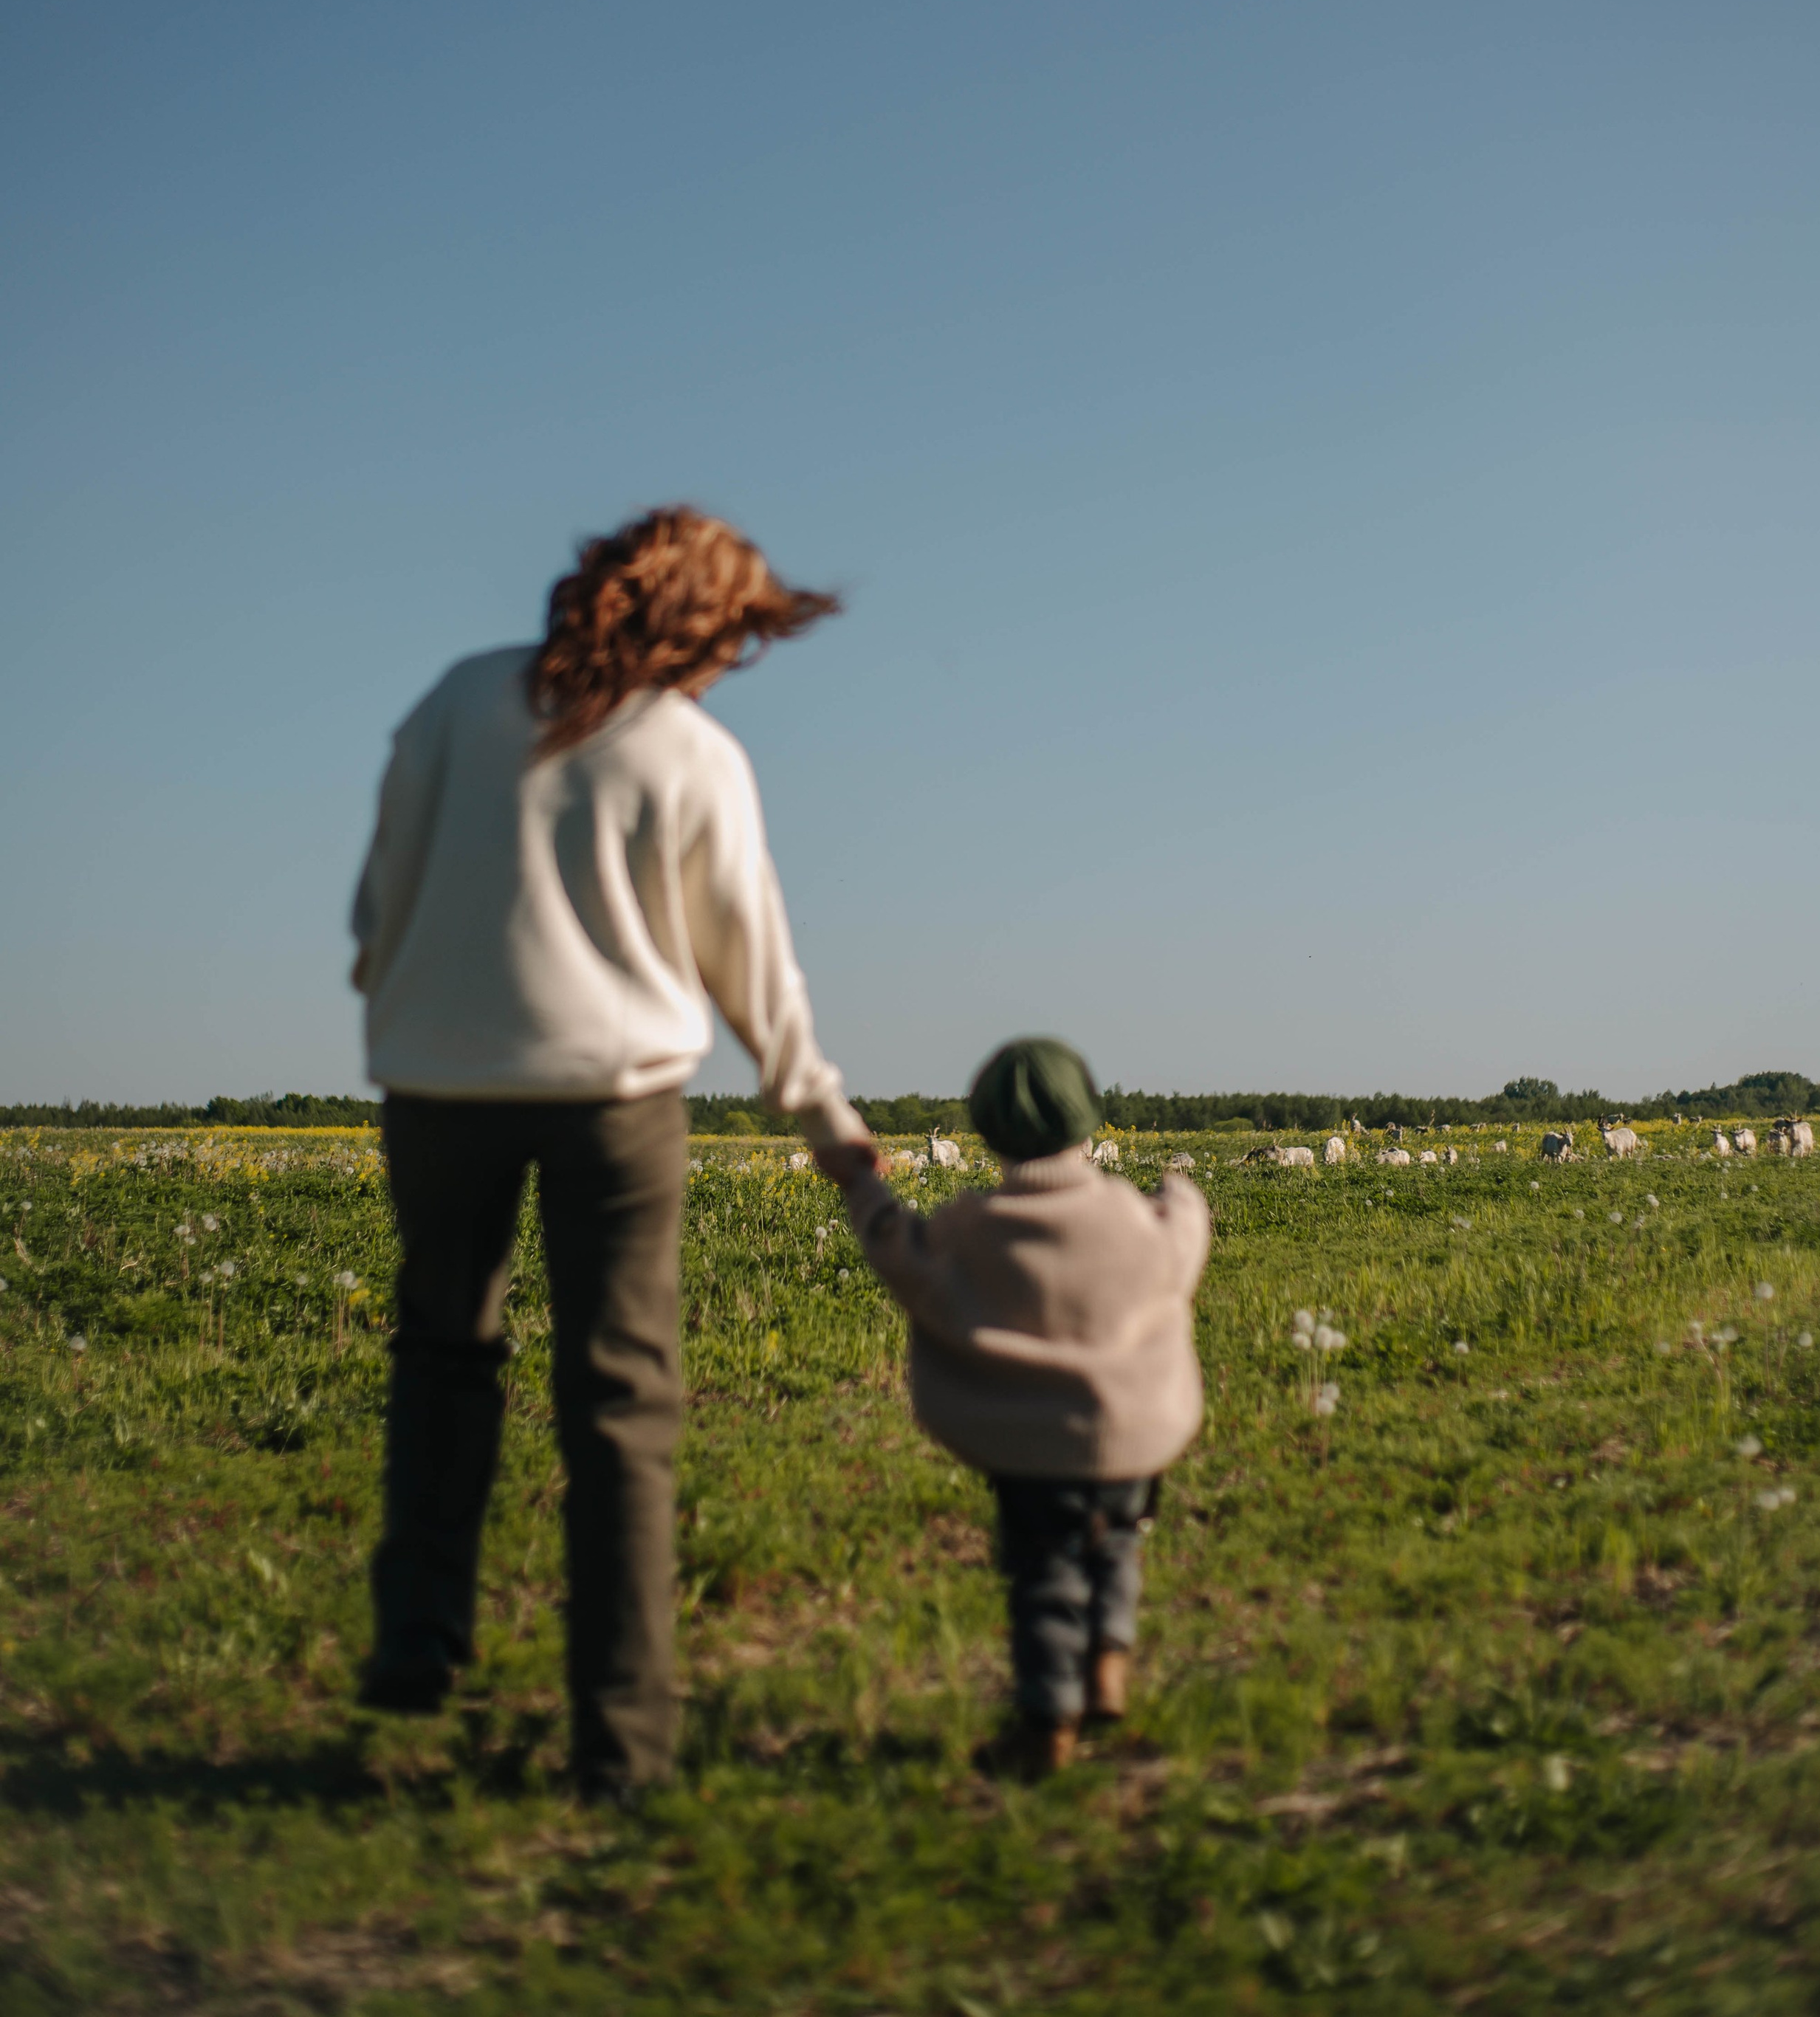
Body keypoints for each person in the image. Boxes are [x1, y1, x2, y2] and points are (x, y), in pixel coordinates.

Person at [348, 504, 869, 1802]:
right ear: (697, 628)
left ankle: (418, 1639)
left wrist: (405, 995)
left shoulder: (454, 702)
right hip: (615, 1104)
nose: (724, 671)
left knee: (441, 1349)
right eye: (729, 644)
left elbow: (377, 903)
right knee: (623, 1403)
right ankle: (622, 1739)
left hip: (434, 1083)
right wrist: (825, 1122)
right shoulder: (691, 754)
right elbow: (753, 965)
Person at [820, 1037, 1209, 1777]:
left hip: (1031, 1442)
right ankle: (1108, 1664)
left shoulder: (974, 1225)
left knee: (1046, 1576)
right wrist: (1181, 1193)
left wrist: (861, 1189)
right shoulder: (1130, 1217)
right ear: (1087, 1123)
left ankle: (1045, 1722)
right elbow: (1182, 1242)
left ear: (987, 1132)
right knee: (1118, 1541)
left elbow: (902, 1256)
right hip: (1131, 1435)